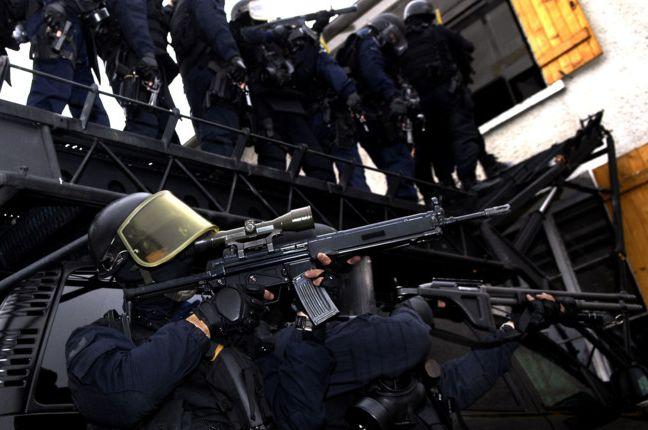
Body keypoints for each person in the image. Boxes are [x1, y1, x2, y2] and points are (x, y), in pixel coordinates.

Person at [65, 191, 571, 429]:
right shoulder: (96, 339)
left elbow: (299, 408)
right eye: (158, 242)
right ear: (123, 264)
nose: (184, 249)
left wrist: (290, 302)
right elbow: (124, 396)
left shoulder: (229, 327)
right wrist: (208, 317)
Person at [399, 0, 508, 191]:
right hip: (449, 94)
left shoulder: (402, 48)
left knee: (440, 142)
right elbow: (467, 47)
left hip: (425, 105)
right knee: (465, 133)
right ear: (427, 17)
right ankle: (469, 179)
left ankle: (453, 182)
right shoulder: (438, 32)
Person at [229, 1, 336, 183]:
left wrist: (315, 31)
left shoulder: (276, 42)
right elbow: (242, 36)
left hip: (290, 104)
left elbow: (302, 70)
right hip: (263, 106)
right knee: (273, 163)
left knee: (318, 163)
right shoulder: (239, 34)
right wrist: (272, 33)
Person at [336, 13, 418, 202]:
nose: (392, 42)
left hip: (365, 118)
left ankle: (400, 203)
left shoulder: (356, 44)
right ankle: (406, 205)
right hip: (377, 115)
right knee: (399, 159)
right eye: (392, 36)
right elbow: (374, 74)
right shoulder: (369, 43)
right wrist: (394, 97)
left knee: (390, 162)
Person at [288, 24, 370, 192]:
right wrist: (351, 94)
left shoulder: (291, 65)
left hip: (310, 127)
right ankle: (365, 212)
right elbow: (336, 76)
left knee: (323, 177)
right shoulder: (317, 55)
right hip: (333, 121)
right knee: (351, 172)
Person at [169, 0, 247, 156]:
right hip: (214, 77)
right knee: (222, 135)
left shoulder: (178, 10)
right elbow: (214, 24)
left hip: (195, 81)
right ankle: (224, 177)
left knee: (210, 136)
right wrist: (234, 57)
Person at [96, 0, 179, 140]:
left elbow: (152, 20)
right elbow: (132, 18)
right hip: (134, 62)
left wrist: (170, 7)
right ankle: (124, 160)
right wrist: (147, 54)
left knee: (165, 130)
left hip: (145, 64)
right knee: (144, 124)